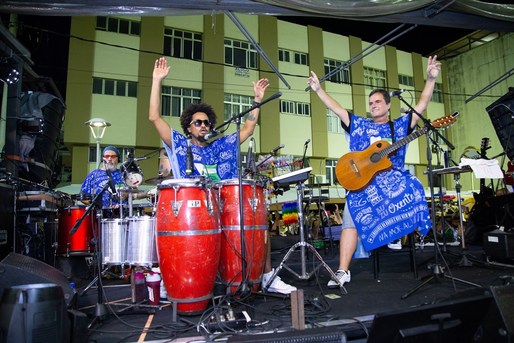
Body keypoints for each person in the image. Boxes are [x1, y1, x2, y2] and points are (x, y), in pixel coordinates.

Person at [149, 57, 296, 294]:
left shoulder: (222, 146)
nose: (203, 126)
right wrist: (157, 81)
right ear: (189, 126)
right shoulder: (179, 144)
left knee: (259, 223)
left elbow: (248, 129)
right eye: (198, 123)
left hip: (226, 208)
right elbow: (155, 118)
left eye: (206, 122)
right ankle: (173, 280)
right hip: (196, 212)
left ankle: (267, 276)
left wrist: (257, 100)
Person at [307, 55, 441, 288]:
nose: (373, 106)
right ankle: (342, 271)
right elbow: (337, 109)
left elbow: (421, 106)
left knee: (414, 186)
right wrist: (318, 90)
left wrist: (430, 79)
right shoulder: (359, 124)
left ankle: (396, 232)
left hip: (391, 183)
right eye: (371, 103)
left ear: (389, 105)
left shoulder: (399, 126)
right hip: (361, 184)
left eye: (378, 102)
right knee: (349, 220)